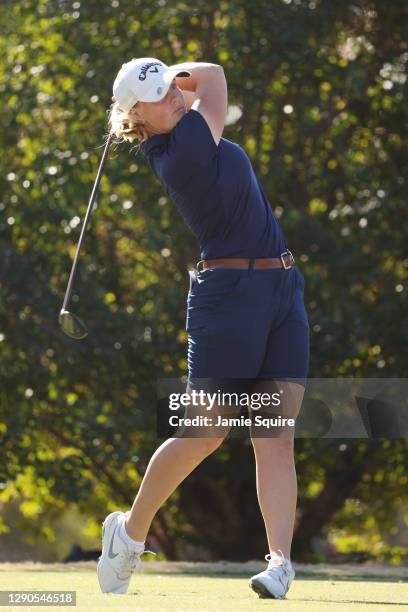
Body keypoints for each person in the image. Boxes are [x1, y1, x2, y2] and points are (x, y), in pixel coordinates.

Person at [97, 57, 310, 600]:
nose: (173, 94)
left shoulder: (187, 127)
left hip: (280, 291)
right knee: (205, 433)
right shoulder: (182, 150)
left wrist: (164, 78)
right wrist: (183, 78)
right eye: (160, 94)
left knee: (276, 437)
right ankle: (129, 533)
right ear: (137, 118)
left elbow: (200, 85)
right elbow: (212, 76)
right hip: (227, 299)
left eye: (171, 87)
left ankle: (280, 563)